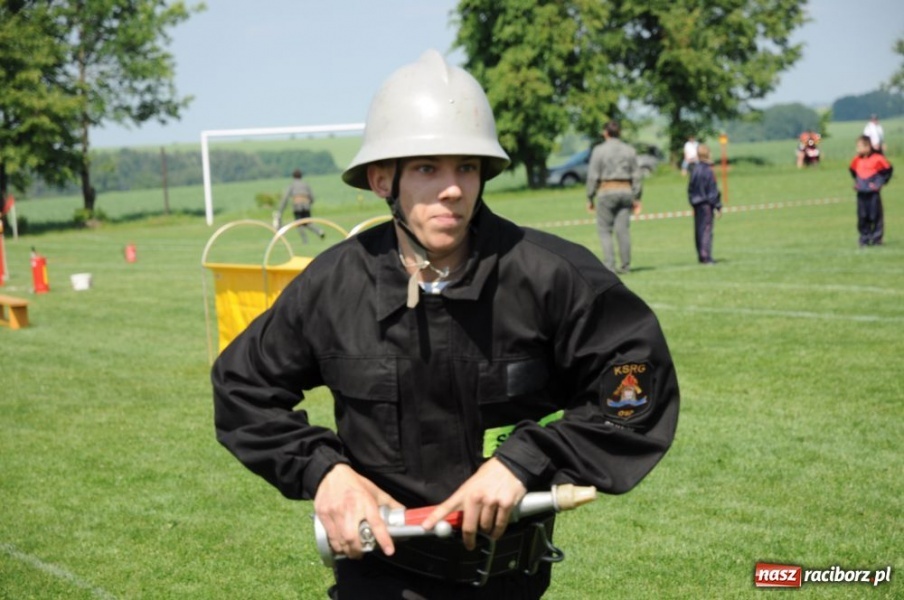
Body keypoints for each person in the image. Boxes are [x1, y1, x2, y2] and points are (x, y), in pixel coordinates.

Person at [212, 50, 679, 600]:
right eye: (428, 168)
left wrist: (525, 460)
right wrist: (323, 471)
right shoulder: (333, 285)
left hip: (509, 583)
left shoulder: (552, 276)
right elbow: (241, 387)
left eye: (467, 167)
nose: (453, 188)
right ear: (382, 179)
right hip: (380, 580)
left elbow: (636, 389)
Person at [585, 120, 643, 274]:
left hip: (606, 191)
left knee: (604, 230)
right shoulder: (629, 150)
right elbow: (637, 175)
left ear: (605, 133)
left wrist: (590, 197)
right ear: (619, 132)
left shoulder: (599, 150)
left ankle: (610, 266)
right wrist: (637, 197)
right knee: (623, 231)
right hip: (626, 191)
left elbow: (592, 176)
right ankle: (625, 266)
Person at [849, 134, 893, 247]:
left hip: (873, 193)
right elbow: (852, 171)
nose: (857, 149)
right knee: (862, 216)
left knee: (875, 215)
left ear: (868, 146)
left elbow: (887, 171)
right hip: (861, 192)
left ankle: (877, 239)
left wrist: (879, 183)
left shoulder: (878, 158)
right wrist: (857, 183)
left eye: (860, 146)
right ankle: (864, 239)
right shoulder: (856, 159)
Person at [687, 144, 722, 264]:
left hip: (696, 203)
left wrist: (692, 201)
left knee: (698, 229)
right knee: (706, 229)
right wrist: (717, 205)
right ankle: (706, 256)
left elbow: (690, 188)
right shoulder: (709, 170)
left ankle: (701, 255)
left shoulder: (694, 169)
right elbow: (712, 190)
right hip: (706, 203)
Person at [277, 168, 325, 243]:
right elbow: (312, 197)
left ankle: (305, 241)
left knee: (299, 224)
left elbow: (285, 198)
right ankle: (319, 231)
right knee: (308, 222)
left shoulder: (292, 185)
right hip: (306, 206)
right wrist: (309, 203)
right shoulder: (306, 184)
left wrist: (281, 210)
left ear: (293, 176)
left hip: (297, 207)